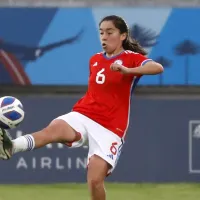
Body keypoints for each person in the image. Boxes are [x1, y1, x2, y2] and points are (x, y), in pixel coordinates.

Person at [0, 15, 163, 200]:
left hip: (111, 127)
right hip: (84, 114)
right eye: (101, 32)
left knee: (94, 180)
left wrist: (129, 71)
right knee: (52, 131)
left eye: (110, 32)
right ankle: (12, 147)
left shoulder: (131, 58)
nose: (104, 37)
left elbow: (157, 68)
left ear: (123, 36)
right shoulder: (94, 60)